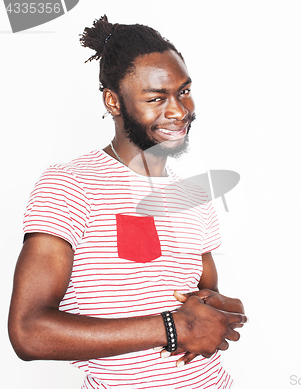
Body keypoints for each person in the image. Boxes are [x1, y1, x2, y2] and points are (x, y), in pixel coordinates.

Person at [8, 15, 247, 389]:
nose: (179, 111)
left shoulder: (195, 196)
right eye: (156, 98)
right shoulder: (70, 186)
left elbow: (204, 300)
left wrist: (223, 313)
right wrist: (172, 327)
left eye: (183, 91)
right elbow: (28, 331)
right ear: (113, 102)